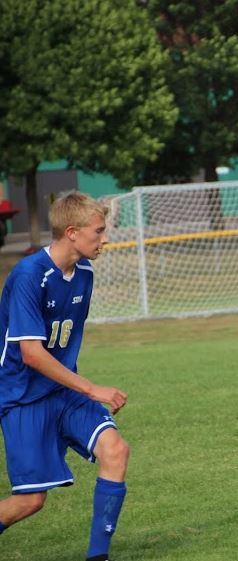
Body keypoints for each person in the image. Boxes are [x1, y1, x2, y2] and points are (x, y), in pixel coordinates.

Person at [0, 192, 129, 561]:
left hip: (62, 389)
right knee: (30, 501)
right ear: (72, 232)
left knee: (115, 450)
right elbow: (32, 353)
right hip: (22, 396)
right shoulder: (28, 275)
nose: (105, 239)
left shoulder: (84, 273)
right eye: (99, 231)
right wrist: (91, 388)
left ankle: (98, 557)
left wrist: (80, 388)